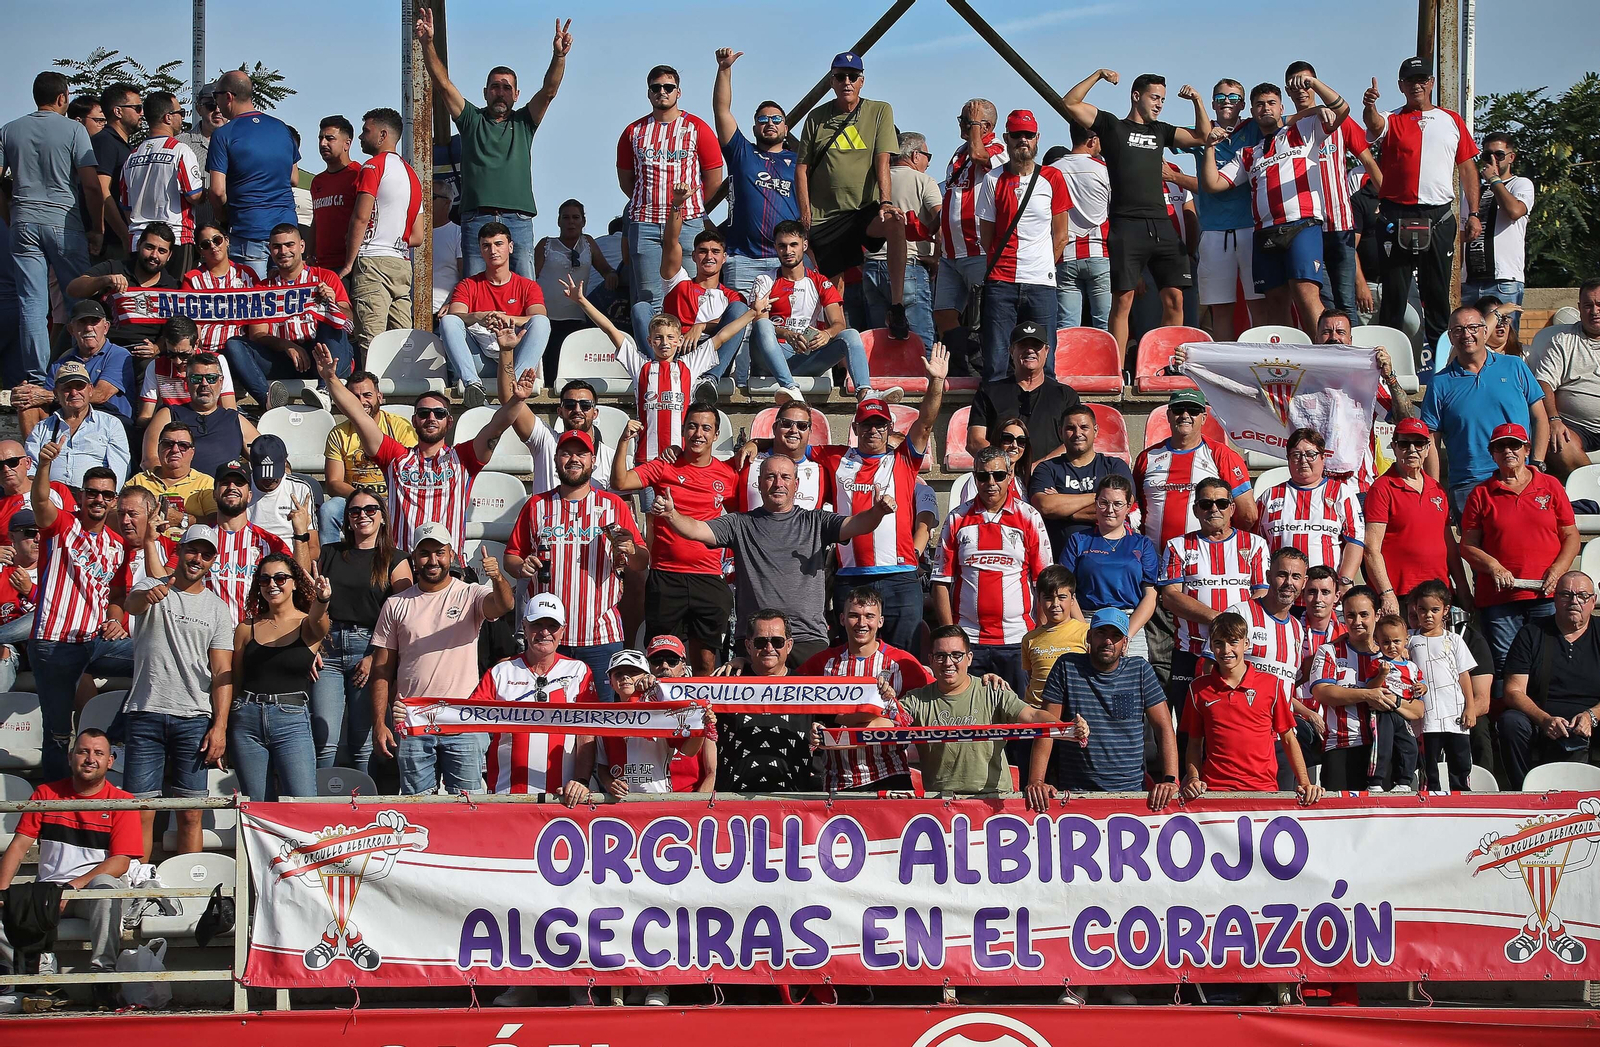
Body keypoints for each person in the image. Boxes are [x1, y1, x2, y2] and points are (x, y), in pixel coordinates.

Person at [667, 453, 890, 667]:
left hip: (807, 638)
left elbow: (857, 525)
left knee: (809, 707)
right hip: (757, 640)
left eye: (785, 477)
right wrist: (672, 515)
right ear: (760, 483)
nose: (778, 483)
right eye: (770, 476)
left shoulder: (816, 521)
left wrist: (877, 512)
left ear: (796, 483)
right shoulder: (739, 524)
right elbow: (697, 529)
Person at [315, 342, 531, 552]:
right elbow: (358, 415)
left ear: (449, 421)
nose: (431, 418)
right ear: (414, 420)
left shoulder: (464, 457)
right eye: (423, 413)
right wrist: (331, 379)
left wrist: (517, 401)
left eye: (439, 413)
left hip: (450, 569)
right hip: (403, 570)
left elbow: (496, 427)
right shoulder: (395, 457)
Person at [1060, 70, 1211, 352]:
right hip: (1127, 226)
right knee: (1124, 300)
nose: (1159, 104)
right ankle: (1116, 374)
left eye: (1163, 100)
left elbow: (1202, 135)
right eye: (1154, 98)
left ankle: (1168, 364)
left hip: (1161, 224)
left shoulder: (1160, 130)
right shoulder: (1112, 126)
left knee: (1175, 299)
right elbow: (1070, 103)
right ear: (1136, 96)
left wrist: (1197, 101)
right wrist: (1098, 75)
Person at [416, 10, 571, 278]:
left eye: (507, 87)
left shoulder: (525, 122)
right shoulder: (471, 120)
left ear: (517, 94)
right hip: (476, 218)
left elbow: (549, 91)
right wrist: (428, 44)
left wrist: (559, 57)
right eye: (495, 86)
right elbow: (442, 85)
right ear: (485, 92)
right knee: (476, 286)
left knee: (524, 284)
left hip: (518, 219)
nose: (501, 91)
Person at [816, 351, 947, 652]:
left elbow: (926, 423)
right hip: (851, 577)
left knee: (905, 660)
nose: (872, 430)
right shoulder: (835, 457)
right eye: (866, 424)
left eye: (879, 424)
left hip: (900, 577)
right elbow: (791, 446)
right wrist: (759, 443)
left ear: (889, 428)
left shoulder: (903, 460)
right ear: (855, 428)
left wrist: (936, 382)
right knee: (855, 658)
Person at [372, 523, 516, 794]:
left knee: (468, 809)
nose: (433, 560)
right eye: (425, 553)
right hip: (413, 719)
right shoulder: (395, 604)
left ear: (452, 554)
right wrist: (380, 723)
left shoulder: (471, 593)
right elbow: (382, 670)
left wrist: (497, 578)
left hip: (463, 719)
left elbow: (504, 605)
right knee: (417, 811)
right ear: (413, 557)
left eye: (440, 552)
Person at [1201, 77, 1349, 335]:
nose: (1265, 108)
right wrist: (1209, 147)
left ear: (1282, 108)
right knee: (1276, 305)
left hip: (1301, 224)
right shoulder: (1248, 152)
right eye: (1259, 104)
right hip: (1266, 233)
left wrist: (1313, 83)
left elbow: (1341, 108)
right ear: (1252, 111)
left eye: (1271, 103)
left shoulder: (1302, 131)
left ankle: (1324, 360)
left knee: (1306, 295)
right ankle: (1289, 367)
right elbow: (1213, 184)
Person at [505, 429, 646, 701]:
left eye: (581, 453)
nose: (574, 459)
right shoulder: (536, 506)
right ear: (556, 459)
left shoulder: (613, 505)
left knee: (602, 721)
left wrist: (630, 550)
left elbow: (641, 561)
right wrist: (520, 567)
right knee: (547, 724)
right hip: (547, 636)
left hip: (601, 636)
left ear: (593, 460)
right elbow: (511, 557)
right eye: (566, 453)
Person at [119, 524, 231, 857]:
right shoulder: (153, 585)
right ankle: (136, 890)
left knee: (191, 815)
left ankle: (191, 895)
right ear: (179, 550)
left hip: (194, 718)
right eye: (193, 550)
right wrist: (147, 596)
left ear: (213, 561)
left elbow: (223, 670)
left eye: (206, 554)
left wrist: (220, 726)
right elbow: (132, 604)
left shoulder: (218, 608)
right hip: (145, 712)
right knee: (140, 812)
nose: (198, 559)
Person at [0, 729, 140, 987]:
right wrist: (2, 891)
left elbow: (120, 862)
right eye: (83, 751)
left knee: (107, 887)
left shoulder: (123, 802)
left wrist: (71, 889)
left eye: (98, 753)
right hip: (48, 893)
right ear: (70, 757)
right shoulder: (45, 794)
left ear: (110, 762)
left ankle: (103, 977)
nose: (90, 758)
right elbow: (19, 847)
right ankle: (40, 977)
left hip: (86, 891)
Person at [1364, 57, 1480, 363]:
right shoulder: (1391, 118)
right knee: (1394, 297)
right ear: (1401, 86)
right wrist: (1370, 107)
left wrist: (1475, 213)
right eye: (1409, 80)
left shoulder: (1451, 120)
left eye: (1422, 79)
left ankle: (1446, 366)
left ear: (1430, 83)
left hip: (1438, 216)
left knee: (1437, 295)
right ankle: (1387, 369)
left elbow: (1468, 168)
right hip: (1396, 214)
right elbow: (1374, 127)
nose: (1416, 85)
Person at [571, 275, 756, 467]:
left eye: (670, 337)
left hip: (681, 461)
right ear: (650, 342)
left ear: (679, 341)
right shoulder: (639, 364)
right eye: (658, 338)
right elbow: (610, 329)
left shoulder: (690, 364)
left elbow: (722, 336)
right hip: (646, 460)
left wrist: (753, 312)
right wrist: (582, 301)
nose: (665, 343)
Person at [612, 404, 737, 674]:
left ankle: (704, 715)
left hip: (708, 577)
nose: (698, 433)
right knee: (662, 660)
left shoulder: (727, 475)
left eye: (706, 428)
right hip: (666, 576)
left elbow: (743, 520)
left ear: (716, 435)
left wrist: (752, 445)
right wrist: (624, 442)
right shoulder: (664, 466)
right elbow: (620, 482)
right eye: (692, 426)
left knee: (706, 661)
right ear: (682, 430)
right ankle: (658, 714)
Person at [26, 453, 129, 778]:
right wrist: (43, 465)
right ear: (81, 496)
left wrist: (116, 618)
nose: (99, 499)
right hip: (54, 642)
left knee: (156, 658)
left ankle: (116, 735)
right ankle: (54, 811)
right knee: (57, 733)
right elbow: (40, 499)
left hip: (96, 640)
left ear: (113, 501)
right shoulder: (61, 525)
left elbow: (117, 595)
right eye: (93, 492)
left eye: (106, 494)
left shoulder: (118, 545)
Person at [796, 52, 911, 339]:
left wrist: (886, 201)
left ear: (861, 80)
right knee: (832, 296)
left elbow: (882, 159)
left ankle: (897, 305)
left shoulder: (879, 110)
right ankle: (834, 360)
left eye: (852, 76)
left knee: (896, 222)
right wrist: (805, 213)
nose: (846, 82)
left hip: (864, 208)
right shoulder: (817, 117)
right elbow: (801, 168)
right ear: (831, 81)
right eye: (840, 76)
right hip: (826, 214)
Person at [3, 71, 103, 383]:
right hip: (63, 222)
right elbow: (90, 185)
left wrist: (10, 218)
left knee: (31, 303)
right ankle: (80, 370)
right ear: (62, 98)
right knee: (79, 298)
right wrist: (97, 228)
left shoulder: (9, 130)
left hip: (22, 221)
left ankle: (35, 378)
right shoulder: (74, 130)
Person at [1029, 607, 1174, 812]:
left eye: (1115, 635)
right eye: (1101, 633)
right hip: (1075, 795)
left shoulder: (1140, 670)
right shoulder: (1066, 666)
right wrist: (1037, 780)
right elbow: (1048, 726)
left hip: (1132, 794)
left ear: (1125, 642)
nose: (1108, 641)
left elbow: (1164, 727)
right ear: (1089, 636)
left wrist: (1170, 779)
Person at [1460, 422, 1580, 670]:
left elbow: (1570, 535)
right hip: (1499, 597)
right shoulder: (1480, 494)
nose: (1507, 451)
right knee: (1505, 663)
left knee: (1547, 660)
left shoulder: (1551, 486)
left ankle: (1545, 710)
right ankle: (1510, 710)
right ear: (1492, 453)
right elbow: (1468, 546)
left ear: (1527, 449)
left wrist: (1558, 570)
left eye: (1514, 445)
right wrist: (1494, 566)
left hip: (1545, 593)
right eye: (1500, 446)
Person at [934, 446, 1053, 692]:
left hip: (1016, 640)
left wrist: (1039, 636)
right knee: (972, 722)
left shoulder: (1029, 516)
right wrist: (953, 637)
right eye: (982, 476)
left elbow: (1043, 583)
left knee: (1017, 718)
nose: (991, 482)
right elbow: (940, 583)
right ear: (974, 477)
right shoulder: (957, 519)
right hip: (969, 641)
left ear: (1010, 475)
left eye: (998, 475)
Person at [900, 625, 1064, 794]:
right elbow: (887, 724)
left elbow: (1032, 715)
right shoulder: (915, 699)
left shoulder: (993, 691)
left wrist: (1066, 728)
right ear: (931, 659)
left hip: (994, 800)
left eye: (956, 655)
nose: (948, 662)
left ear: (969, 658)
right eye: (941, 656)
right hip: (941, 804)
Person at [800, 586, 933, 792]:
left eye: (869, 616)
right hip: (838, 780)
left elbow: (941, 691)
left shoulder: (902, 662)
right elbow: (785, 685)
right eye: (854, 615)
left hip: (889, 774)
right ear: (842, 619)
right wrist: (744, 662)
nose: (862, 623)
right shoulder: (823, 662)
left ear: (880, 621)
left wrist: (984, 681)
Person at [618, 63, 723, 317]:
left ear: (678, 92)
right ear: (648, 93)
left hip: (688, 222)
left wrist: (692, 203)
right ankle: (651, 356)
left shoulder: (698, 128)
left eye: (668, 87)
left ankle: (690, 355)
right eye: (656, 88)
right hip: (645, 222)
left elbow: (714, 179)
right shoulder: (633, 132)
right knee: (648, 298)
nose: (662, 92)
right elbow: (626, 181)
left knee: (689, 294)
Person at [1183, 611, 1322, 804]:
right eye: (1218, 643)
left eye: (1233, 642)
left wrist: (1305, 782)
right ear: (1211, 646)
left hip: (1263, 790)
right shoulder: (1198, 688)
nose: (1226, 650)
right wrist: (1193, 778)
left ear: (1246, 644)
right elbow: (1194, 743)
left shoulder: (1271, 684)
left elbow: (1289, 738)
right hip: (1215, 791)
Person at [313, 491, 408, 773]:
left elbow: (402, 618)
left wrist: (375, 656)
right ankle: (316, 808)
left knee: (362, 741)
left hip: (369, 646)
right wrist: (312, 645)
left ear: (382, 516)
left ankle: (359, 807)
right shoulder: (330, 553)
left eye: (370, 509)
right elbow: (312, 603)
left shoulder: (396, 559)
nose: (362, 515)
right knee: (324, 739)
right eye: (355, 511)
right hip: (328, 648)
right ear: (347, 519)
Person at [974, 111, 1072, 381]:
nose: (1023, 140)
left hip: (1041, 282)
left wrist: (1042, 265)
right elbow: (986, 235)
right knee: (995, 363)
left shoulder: (1052, 177)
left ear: (1037, 138)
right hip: (1001, 281)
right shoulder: (993, 180)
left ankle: (1045, 419)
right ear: (1007, 138)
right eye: (1017, 135)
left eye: (1028, 135)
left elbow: (1061, 235)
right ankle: (996, 420)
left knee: (1044, 363)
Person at [1421, 305, 1549, 510]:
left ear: (1484, 330)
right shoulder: (1439, 383)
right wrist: (1433, 488)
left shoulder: (1514, 366)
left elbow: (1540, 418)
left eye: (1473, 327)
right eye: (1458, 330)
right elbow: (1432, 441)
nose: (1466, 334)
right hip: (1469, 483)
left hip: (1519, 476)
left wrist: (1538, 463)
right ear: (1451, 337)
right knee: (1474, 543)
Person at [473, 592, 599, 800]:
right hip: (507, 796)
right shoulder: (501, 672)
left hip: (563, 797)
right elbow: (469, 721)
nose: (545, 632)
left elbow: (587, 733)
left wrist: (582, 780)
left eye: (552, 626)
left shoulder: (579, 671)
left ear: (563, 630)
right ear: (524, 626)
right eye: (537, 624)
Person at [1159, 477, 1270, 709]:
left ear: (1232, 507)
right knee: (1190, 729)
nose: (1214, 509)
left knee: (1235, 724)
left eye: (1221, 503)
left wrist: (1231, 630)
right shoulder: (1176, 546)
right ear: (1195, 509)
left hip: (1238, 653)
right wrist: (1219, 620)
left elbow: (1262, 594)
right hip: (1191, 652)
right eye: (1206, 504)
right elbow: (1170, 597)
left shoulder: (1255, 544)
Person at [748, 220, 887, 404]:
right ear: (775, 247)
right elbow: (760, 322)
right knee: (763, 324)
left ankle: (865, 394)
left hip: (803, 357)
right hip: (768, 358)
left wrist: (827, 334)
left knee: (851, 334)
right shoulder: (765, 280)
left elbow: (839, 323)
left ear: (804, 245)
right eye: (782, 246)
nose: (788, 251)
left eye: (793, 245)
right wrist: (787, 334)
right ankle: (790, 388)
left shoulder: (819, 281)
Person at [223, 553, 326, 799]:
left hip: (291, 719)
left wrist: (323, 599)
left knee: (302, 802)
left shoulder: (307, 624)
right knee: (256, 807)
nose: (272, 585)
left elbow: (321, 623)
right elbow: (235, 680)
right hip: (246, 718)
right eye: (265, 579)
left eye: (280, 578)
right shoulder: (246, 628)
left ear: (294, 583)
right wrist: (224, 727)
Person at [1283, 62, 1381, 315]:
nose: (1301, 90)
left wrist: (1390, 201)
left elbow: (1368, 161)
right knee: (1323, 305)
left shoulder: (1340, 122)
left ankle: (1355, 353)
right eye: (1295, 85)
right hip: (1306, 228)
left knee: (1347, 305)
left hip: (1340, 223)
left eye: (1307, 83)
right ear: (1287, 91)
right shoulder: (1286, 129)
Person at [227, 224, 355, 410]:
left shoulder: (326, 277)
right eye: (277, 246)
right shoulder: (263, 288)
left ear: (302, 246)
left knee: (331, 322)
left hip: (324, 353)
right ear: (270, 249)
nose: (283, 251)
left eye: (289, 245)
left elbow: (349, 321)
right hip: (284, 357)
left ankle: (325, 391)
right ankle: (269, 401)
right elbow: (257, 334)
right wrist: (287, 346)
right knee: (234, 345)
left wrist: (332, 303)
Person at [711, 48, 800, 295]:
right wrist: (724, 69)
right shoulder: (741, 152)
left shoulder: (801, 160)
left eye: (776, 119)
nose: (769, 123)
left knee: (789, 330)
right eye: (762, 120)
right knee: (742, 328)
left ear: (786, 126)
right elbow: (722, 111)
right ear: (754, 127)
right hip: (744, 260)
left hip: (788, 258)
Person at [1499, 571, 1600, 789]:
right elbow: (1513, 691)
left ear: (1593, 601)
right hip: (1542, 717)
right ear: (1554, 599)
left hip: (1593, 717)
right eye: (1566, 594)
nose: (1574, 601)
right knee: (1511, 722)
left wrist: (1593, 715)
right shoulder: (1532, 633)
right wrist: (1544, 720)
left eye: (1582, 596)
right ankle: (1524, 793)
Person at [648, 187, 752, 392]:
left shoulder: (731, 296)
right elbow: (670, 243)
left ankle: (710, 380)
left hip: (713, 353)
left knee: (741, 310)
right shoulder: (679, 282)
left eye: (715, 251)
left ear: (724, 257)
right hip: (675, 349)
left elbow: (738, 323)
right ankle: (656, 370)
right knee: (642, 308)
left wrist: (702, 326)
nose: (709, 256)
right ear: (694, 256)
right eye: (703, 251)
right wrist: (676, 205)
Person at [1184, 79, 1263, 341]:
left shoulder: (1254, 128)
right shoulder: (1200, 134)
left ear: (1243, 104)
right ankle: (1225, 369)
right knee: (1221, 309)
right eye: (1219, 98)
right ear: (1213, 103)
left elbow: (1290, 117)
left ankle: (1261, 365)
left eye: (1232, 97)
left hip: (1251, 228)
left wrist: (1320, 109)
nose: (1226, 101)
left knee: (1257, 305)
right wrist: (1196, 101)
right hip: (1214, 231)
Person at [1364, 418, 1469, 616]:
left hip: (1439, 594)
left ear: (1428, 448)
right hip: (1401, 596)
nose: (1412, 449)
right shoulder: (1381, 489)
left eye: (1419, 444)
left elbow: (1450, 546)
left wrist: (1462, 589)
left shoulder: (1437, 489)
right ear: (1394, 447)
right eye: (1404, 444)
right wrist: (1386, 594)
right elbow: (1371, 549)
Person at [340, 107, 424, 356]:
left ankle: (369, 392)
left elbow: (361, 216)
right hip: (401, 263)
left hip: (373, 261)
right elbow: (418, 236)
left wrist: (348, 263)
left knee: (372, 341)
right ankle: (402, 392)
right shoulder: (412, 175)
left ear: (383, 134)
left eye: (366, 131)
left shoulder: (372, 167)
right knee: (401, 343)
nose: (361, 137)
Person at [439, 220, 552, 405]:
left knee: (542, 322)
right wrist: (478, 317)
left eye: (498, 244)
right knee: (449, 321)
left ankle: (513, 385)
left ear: (511, 247)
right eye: (486, 245)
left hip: (515, 358)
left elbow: (539, 315)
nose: (493, 250)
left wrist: (508, 319)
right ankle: (472, 385)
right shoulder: (467, 285)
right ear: (481, 250)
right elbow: (455, 315)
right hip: (481, 361)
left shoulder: (528, 286)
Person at [1135, 387, 1257, 552]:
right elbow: (1135, 508)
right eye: (1179, 409)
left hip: (1207, 564)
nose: (1185, 415)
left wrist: (1223, 546)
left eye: (1193, 410)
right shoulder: (1146, 457)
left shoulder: (1222, 456)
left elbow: (1248, 514)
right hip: (1154, 562)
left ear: (1204, 418)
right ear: (1169, 415)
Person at [716, 610, 821, 792]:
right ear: (748, 646)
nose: (769, 648)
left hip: (794, 802)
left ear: (789, 645)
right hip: (733, 803)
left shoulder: (809, 689)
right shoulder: (725, 684)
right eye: (760, 642)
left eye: (777, 642)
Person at [206, 70, 299, 273]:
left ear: (228, 97)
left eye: (216, 97)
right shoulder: (282, 128)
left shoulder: (223, 135)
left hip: (248, 229)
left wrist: (222, 219)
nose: (216, 104)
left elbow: (217, 191)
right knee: (284, 300)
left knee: (250, 300)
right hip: (287, 231)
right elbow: (294, 178)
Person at [1059, 473, 1159, 662]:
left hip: (1130, 623)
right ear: (1096, 503)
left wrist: (1126, 634)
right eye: (1103, 503)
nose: (1109, 510)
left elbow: (1150, 595)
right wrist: (1085, 632)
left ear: (1128, 506)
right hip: (1089, 621)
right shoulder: (1078, 541)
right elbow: (1066, 590)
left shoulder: (1142, 544)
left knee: (1132, 685)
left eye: (1117, 504)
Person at [1309, 586, 1397, 790]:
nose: (1357, 622)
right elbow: (1322, 692)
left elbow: (1416, 704)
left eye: (1364, 615)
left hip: (1384, 750)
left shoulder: (1394, 653)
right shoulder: (1329, 651)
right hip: (1341, 748)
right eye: (1350, 615)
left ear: (1377, 615)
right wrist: (1367, 694)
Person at [934, 99, 1005, 345]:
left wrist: (975, 125)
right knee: (943, 313)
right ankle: (959, 363)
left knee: (983, 315)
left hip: (979, 250)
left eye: (967, 120)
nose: (962, 125)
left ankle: (983, 364)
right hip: (950, 253)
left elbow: (980, 157)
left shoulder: (998, 148)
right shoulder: (958, 153)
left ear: (984, 126)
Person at [318, 369, 416, 544]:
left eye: (367, 395)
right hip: (353, 498)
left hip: (392, 497)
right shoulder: (339, 433)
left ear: (380, 397)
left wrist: (381, 501)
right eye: (354, 396)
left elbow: (410, 471)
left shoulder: (399, 427)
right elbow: (333, 484)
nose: (361, 401)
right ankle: (330, 565)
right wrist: (363, 497)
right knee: (329, 510)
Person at [13, 296, 138, 434]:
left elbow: (100, 395)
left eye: (94, 322)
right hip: (69, 422)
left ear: (106, 327)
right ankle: (34, 454)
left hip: (108, 423)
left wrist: (46, 396)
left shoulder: (118, 354)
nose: (89, 328)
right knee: (26, 404)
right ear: (71, 329)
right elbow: (44, 399)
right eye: (82, 322)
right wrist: (24, 394)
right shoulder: (60, 363)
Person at [862, 131, 940, 350]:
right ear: (915, 155)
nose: (927, 162)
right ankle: (924, 383)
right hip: (908, 266)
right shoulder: (923, 180)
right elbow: (940, 217)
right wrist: (936, 257)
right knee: (921, 339)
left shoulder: (873, 182)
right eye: (927, 156)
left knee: (879, 344)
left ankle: (885, 383)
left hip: (871, 265)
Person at [1254, 427, 1364, 580]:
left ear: (1323, 457)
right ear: (1288, 458)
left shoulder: (1341, 494)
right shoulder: (1269, 496)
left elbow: (1355, 541)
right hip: (1280, 593)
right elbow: (1255, 544)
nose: (1303, 460)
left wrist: (1345, 580)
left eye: (1311, 454)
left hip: (1324, 594)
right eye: (1296, 455)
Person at [1406, 578, 1482, 791]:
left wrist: (1470, 707)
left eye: (1434, 609)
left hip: (1454, 712)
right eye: (1422, 610)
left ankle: (1461, 794)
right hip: (1427, 714)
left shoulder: (1454, 640)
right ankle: (1432, 795)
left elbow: (1463, 675)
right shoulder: (1409, 640)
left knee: (1459, 758)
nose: (1428, 615)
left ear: (1445, 610)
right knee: (1429, 761)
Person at [966, 321, 1081, 459]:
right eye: (1023, 345)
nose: (1030, 350)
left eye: (1036, 346)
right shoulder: (988, 392)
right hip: (1002, 477)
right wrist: (1005, 466)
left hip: (1051, 477)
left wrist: (1039, 470)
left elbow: (1074, 440)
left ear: (1047, 351)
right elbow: (974, 441)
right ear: (1011, 351)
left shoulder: (1066, 395)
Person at [1028, 404, 1133, 552]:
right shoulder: (1047, 468)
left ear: (1095, 431)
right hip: (1061, 560)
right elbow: (1045, 506)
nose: (1078, 433)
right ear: (1060, 432)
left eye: (1084, 427)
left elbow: (1122, 506)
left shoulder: (1114, 466)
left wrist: (1064, 511)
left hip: (1110, 555)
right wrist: (1102, 497)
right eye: (1070, 428)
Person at [120, 92, 205, 274]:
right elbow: (194, 195)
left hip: (139, 241)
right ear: (168, 117)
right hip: (175, 239)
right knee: (174, 298)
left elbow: (126, 206)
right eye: (180, 113)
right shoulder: (180, 150)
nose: (182, 118)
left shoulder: (132, 155)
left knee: (142, 298)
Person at [534, 200, 618, 384]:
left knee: (569, 363)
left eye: (575, 217)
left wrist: (611, 275)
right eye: (566, 217)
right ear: (558, 221)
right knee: (548, 364)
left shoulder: (588, 243)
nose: (570, 222)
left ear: (583, 221)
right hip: (547, 316)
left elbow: (605, 269)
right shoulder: (546, 244)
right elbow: (531, 278)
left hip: (577, 316)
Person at [206, 458, 300, 621]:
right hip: (209, 637)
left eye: (238, 483)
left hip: (254, 635)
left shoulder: (270, 542)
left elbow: (297, 581)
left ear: (250, 495)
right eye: (225, 483)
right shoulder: (199, 541)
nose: (231, 488)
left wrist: (301, 533)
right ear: (214, 494)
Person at [143, 352, 257, 481]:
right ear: (187, 382)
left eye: (211, 378)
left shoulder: (235, 420)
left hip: (223, 495)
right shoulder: (168, 414)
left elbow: (264, 456)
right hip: (180, 493)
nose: (204, 383)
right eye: (196, 378)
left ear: (221, 381)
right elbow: (150, 460)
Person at [24, 359, 130, 488]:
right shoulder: (42, 428)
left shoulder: (110, 424)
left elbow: (118, 471)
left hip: (94, 498)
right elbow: (30, 471)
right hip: (51, 500)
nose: (74, 393)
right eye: (67, 388)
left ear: (90, 390)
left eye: (80, 386)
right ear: (56, 393)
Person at [1535, 278, 1600, 479]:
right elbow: (1543, 382)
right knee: (1558, 443)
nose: (1595, 311)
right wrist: (1553, 419)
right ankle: (1592, 492)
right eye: (1588, 305)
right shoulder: (1562, 341)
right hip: (1576, 427)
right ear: (1579, 308)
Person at [1052, 121, 1112, 331]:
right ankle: (1108, 364)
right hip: (1099, 253)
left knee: (1067, 327)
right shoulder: (1104, 169)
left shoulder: (1051, 171)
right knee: (1104, 324)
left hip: (1064, 254)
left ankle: (1065, 365)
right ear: (1092, 140)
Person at [1462, 132, 1535, 305]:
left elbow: (1514, 211)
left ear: (1511, 157)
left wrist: (1494, 180)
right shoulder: (1473, 193)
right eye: (1487, 155)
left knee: (1504, 331)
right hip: (1470, 280)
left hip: (1504, 279)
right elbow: (1462, 233)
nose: (1493, 159)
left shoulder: (1521, 184)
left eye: (1499, 155)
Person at [136, 316, 238, 427]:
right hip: (173, 430)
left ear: (196, 344)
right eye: (171, 354)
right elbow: (144, 417)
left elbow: (230, 412)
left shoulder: (217, 362)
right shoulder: (156, 366)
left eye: (184, 355)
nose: (177, 361)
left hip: (210, 426)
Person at [181, 223, 260, 359]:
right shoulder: (192, 279)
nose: (213, 246)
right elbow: (191, 323)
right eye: (206, 244)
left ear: (227, 241)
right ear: (200, 251)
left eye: (217, 240)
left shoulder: (246, 274)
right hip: (205, 351)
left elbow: (260, 312)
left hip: (240, 348)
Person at [1366, 613, 1426, 791]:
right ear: (1377, 641)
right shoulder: (1377, 664)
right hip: (1383, 711)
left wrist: (1422, 688)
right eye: (1386, 642)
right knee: (1382, 746)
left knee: (1409, 747)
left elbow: (1420, 684)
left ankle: (1404, 782)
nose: (1392, 646)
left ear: (1405, 640)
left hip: (1404, 713)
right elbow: (1370, 688)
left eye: (1396, 641)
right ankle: (1375, 782)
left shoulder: (1412, 666)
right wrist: (1382, 675)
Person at [735, 400, 825, 512]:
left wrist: (757, 442)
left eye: (802, 426)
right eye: (786, 424)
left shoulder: (822, 473)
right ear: (774, 428)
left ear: (810, 431)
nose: (794, 430)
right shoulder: (747, 461)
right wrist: (755, 443)